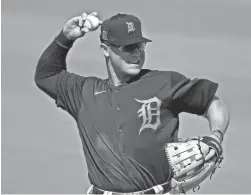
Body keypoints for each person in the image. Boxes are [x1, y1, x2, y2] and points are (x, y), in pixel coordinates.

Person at [34, 12, 230, 194]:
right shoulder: (83, 92)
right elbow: (46, 75)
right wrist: (66, 37)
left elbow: (213, 103)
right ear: (105, 50)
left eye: (140, 45)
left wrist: (216, 136)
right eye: (128, 47)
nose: (137, 53)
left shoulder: (165, 83)